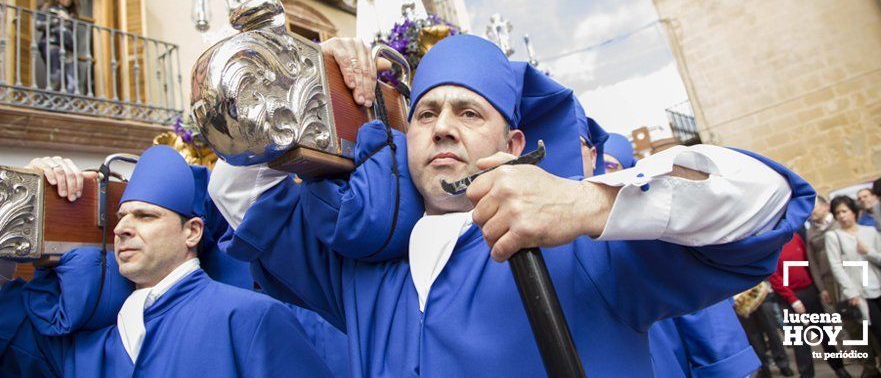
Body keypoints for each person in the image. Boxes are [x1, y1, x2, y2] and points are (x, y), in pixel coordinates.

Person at [206, 34, 814, 377]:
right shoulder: (356, 271)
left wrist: (588, 205)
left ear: (514, 143)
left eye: (469, 113)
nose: (443, 128)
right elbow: (233, 186)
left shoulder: (588, 249)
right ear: (403, 138)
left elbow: (769, 200)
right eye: (425, 114)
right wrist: (319, 84)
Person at [0, 146, 332, 377]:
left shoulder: (249, 317)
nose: (123, 228)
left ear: (192, 232)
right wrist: (19, 197)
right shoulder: (92, 342)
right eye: (120, 217)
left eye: (145, 216)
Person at [595, 133, 761, 378]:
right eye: (602, 164)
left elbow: (701, 308)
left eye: (612, 165)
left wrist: (726, 363)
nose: (606, 171)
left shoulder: (648, 223)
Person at [769, 232, 850, 378]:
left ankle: (839, 368)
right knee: (800, 341)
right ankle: (806, 375)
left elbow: (810, 262)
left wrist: (819, 289)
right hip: (788, 299)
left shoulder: (795, 237)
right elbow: (774, 277)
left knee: (824, 333)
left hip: (809, 291)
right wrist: (793, 299)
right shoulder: (768, 246)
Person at [826, 195, 881, 359]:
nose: (841, 215)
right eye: (837, 212)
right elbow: (836, 266)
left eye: (844, 211)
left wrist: (869, 252)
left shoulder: (869, 231)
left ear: (853, 212)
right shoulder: (834, 237)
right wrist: (851, 291)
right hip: (860, 292)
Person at [35, 0, 80, 93]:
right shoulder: (49, 9)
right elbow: (39, 25)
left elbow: (74, 34)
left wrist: (68, 20)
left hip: (69, 49)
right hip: (52, 45)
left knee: (74, 82)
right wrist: (57, 20)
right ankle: (52, 107)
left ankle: (68, 107)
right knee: (56, 77)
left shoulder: (71, 15)